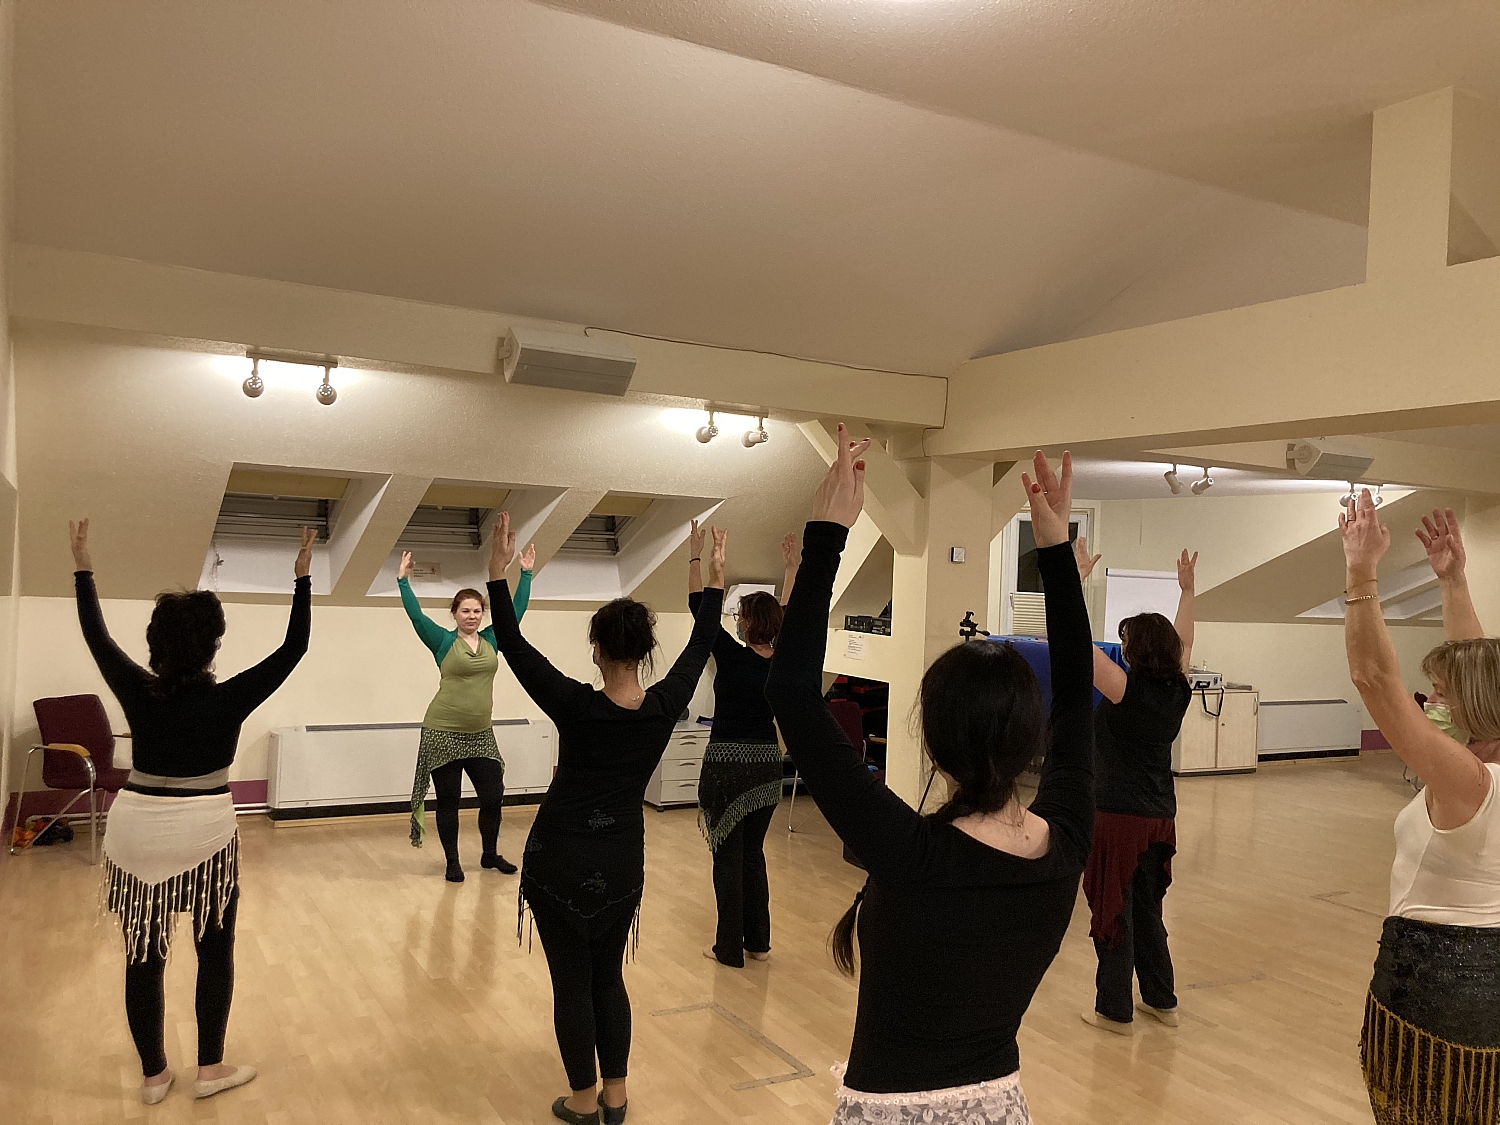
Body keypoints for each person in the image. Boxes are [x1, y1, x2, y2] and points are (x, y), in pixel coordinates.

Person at [765, 432, 1094, 1125]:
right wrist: (1056, 554)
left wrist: (826, 536)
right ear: (1031, 739)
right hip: (1001, 1109)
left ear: (935, 748)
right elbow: (1075, 692)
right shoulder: (1065, 842)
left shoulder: (912, 853)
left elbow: (791, 692)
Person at [487, 511, 725, 1125]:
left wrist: (497, 573)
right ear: (645, 652)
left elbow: (511, 642)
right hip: (621, 863)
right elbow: (703, 642)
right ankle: (615, 1098)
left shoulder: (574, 704)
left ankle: (581, 1101)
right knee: (608, 979)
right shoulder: (664, 706)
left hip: (558, 863)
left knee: (572, 983)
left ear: (596, 650)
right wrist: (710, 577)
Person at [71, 519, 313, 1105]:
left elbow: (97, 636)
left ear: (155, 646)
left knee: (143, 957)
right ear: (212, 647)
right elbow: (294, 648)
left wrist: (83, 567)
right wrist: (302, 579)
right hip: (204, 834)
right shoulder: (229, 697)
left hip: (134, 831)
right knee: (214, 951)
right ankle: (210, 1069)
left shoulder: (136, 688)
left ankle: (154, 1078)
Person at [1347, 497, 1500, 1124]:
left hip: (1434, 996)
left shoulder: (1467, 782)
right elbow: (1479, 672)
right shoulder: (1486, 766)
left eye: (1440, 693)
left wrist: (1361, 573)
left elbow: (1374, 678)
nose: (1431, 701)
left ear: (1473, 707)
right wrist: (1453, 581)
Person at [1074, 540, 1196, 1034]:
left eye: (1126, 642)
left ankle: (1114, 1010)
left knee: (1114, 908)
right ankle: (1161, 1000)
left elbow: (1073, 641)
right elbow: (1184, 643)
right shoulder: (1179, 688)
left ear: (1136, 650)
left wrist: (1073, 580)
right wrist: (1188, 593)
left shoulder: (1125, 689)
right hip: (1159, 817)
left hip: (1117, 818)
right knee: (1147, 909)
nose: (1121, 649)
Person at [690, 522, 798, 967]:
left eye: (740, 615)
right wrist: (790, 568)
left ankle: (728, 948)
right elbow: (790, 615)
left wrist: (705, 561)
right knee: (752, 855)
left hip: (727, 768)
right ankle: (758, 941)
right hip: (768, 768)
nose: (735, 620)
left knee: (727, 858)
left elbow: (699, 609)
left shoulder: (733, 658)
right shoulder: (784, 660)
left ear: (750, 622)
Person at [398, 532, 534, 881]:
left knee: (493, 795)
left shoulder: (492, 639)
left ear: (483, 613)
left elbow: (515, 612)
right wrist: (403, 581)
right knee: (449, 800)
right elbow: (416, 617)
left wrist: (526, 574)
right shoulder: (442, 641)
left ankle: (489, 854)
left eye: (477, 611)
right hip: (442, 732)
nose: (471, 616)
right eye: (465, 611)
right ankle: (453, 862)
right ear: (455, 614)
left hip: (480, 734)